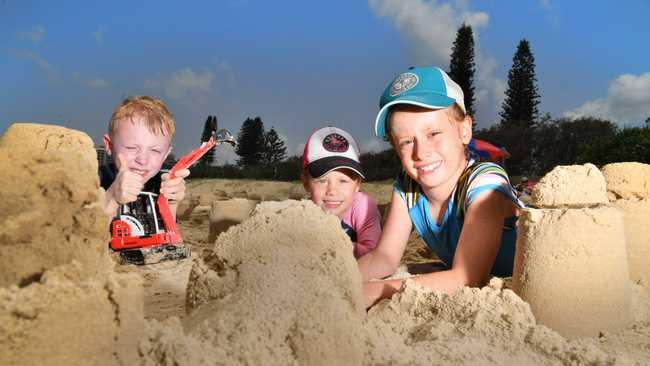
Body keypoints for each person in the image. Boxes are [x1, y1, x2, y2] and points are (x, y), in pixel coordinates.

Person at [358, 66, 524, 308]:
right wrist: (340, 280)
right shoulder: (407, 188)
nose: (421, 152)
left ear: (464, 130)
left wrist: (372, 291)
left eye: (434, 133)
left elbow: (467, 277)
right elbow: (384, 258)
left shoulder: (486, 183)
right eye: (406, 141)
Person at [99, 96, 190, 221]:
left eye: (155, 151)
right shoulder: (90, 181)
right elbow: (78, 236)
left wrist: (170, 204)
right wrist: (111, 198)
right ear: (109, 145)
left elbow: (167, 239)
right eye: (131, 148)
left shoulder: (160, 186)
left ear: (165, 154)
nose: (142, 160)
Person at [301, 126, 382, 258]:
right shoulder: (302, 212)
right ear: (306, 183)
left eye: (343, 181)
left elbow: (374, 253)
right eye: (322, 181)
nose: (332, 191)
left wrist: (329, 244)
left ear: (357, 185)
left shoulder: (363, 206)